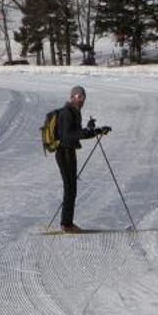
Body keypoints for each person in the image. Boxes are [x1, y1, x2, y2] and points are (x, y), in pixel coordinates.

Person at [53, 85, 109, 234]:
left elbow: (77, 134)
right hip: (64, 152)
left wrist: (96, 130)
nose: (82, 100)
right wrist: (86, 131)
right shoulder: (67, 113)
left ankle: (67, 223)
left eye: (83, 97)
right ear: (73, 97)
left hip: (69, 152)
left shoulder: (75, 113)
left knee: (72, 188)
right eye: (79, 97)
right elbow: (68, 136)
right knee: (70, 187)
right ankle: (66, 224)